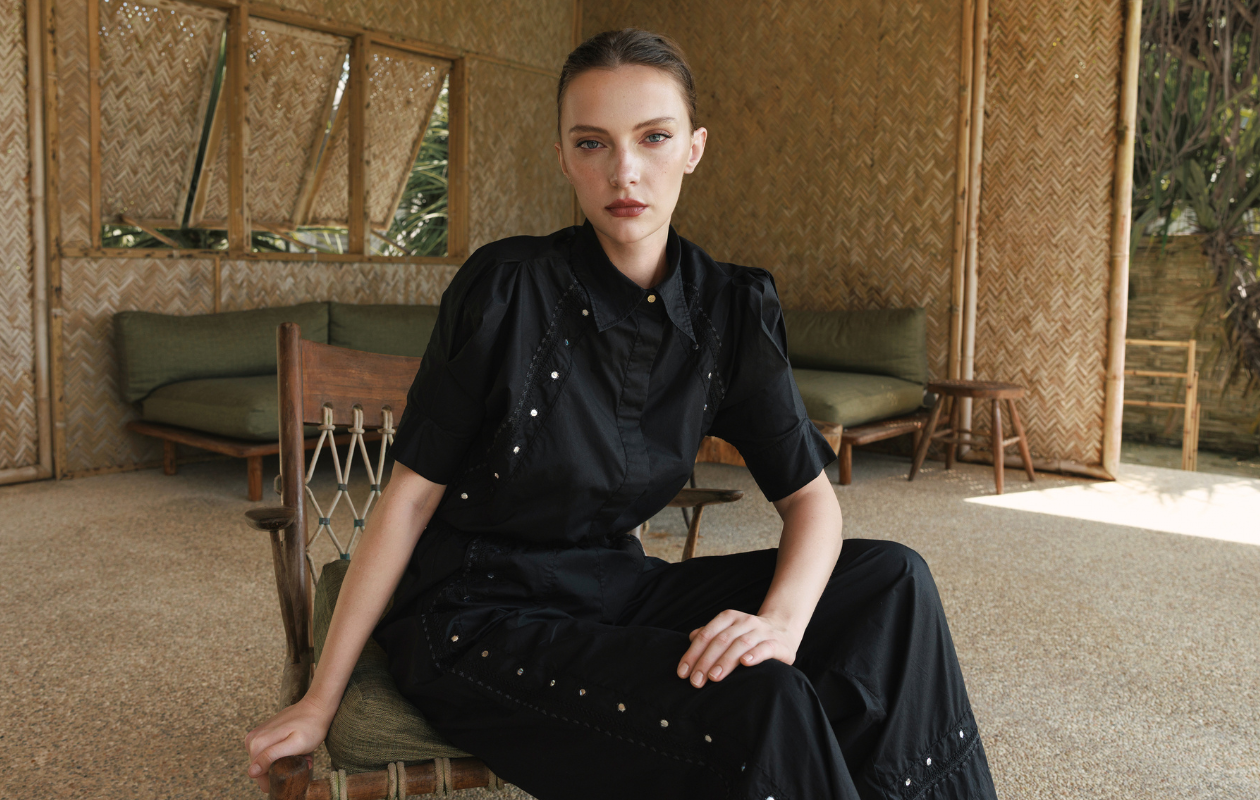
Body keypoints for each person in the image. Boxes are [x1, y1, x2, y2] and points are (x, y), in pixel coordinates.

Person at [245, 28, 998, 800]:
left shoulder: (730, 309)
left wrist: (781, 623)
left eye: (654, 137)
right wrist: (320, 701)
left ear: (694, 149)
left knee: (893, 583)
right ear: (563, 157)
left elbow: (812, 503)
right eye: (592, 143)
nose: (625, 171)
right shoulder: (506, 288)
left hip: (616, 590)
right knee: (761, 699)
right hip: (480, 616)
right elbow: (406, 500)